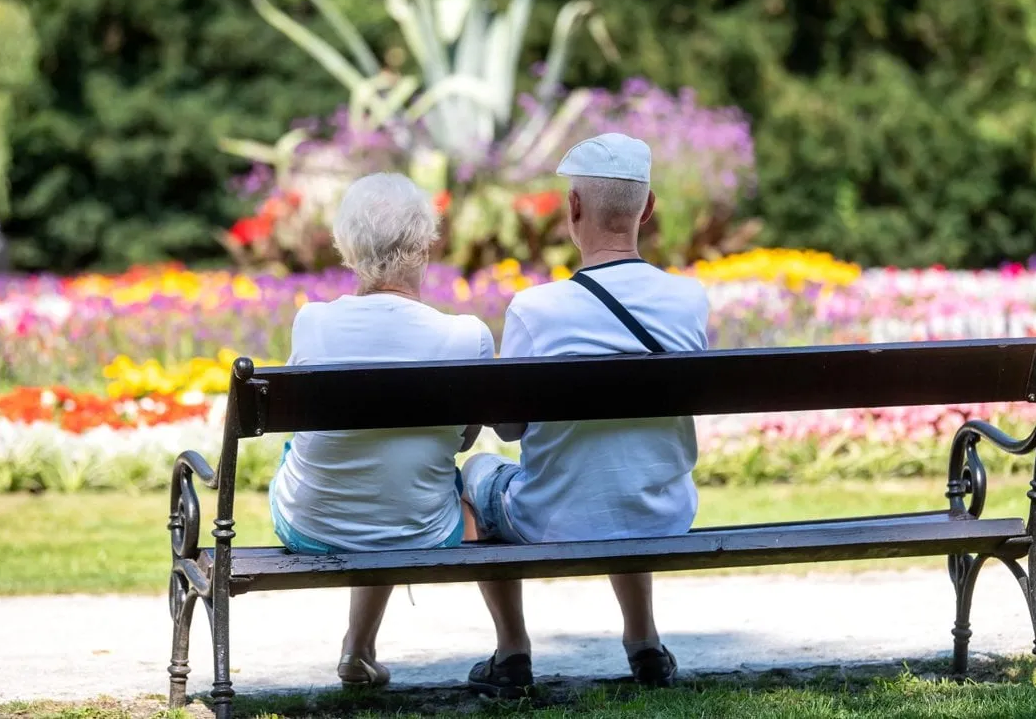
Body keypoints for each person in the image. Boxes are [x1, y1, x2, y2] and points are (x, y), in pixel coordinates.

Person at [461, 133, 710, 697]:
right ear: (647, 209)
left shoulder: (536, 309)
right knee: (626, 470)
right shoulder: (689, 300)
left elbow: (509, 429)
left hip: (553, 520)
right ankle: (644, 643)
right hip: (662, 513)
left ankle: (512, 652)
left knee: (477, 475)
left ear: (572, 208)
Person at [268, 173, 493, 687]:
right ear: (425, 245)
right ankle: (509, 645)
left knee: (356, 464)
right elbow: (464, 441)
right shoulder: (467, 336)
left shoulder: (312, 323)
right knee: (409, 481)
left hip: (311, 525)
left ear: (346, 247)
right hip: (422, 527)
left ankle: (358, 648)